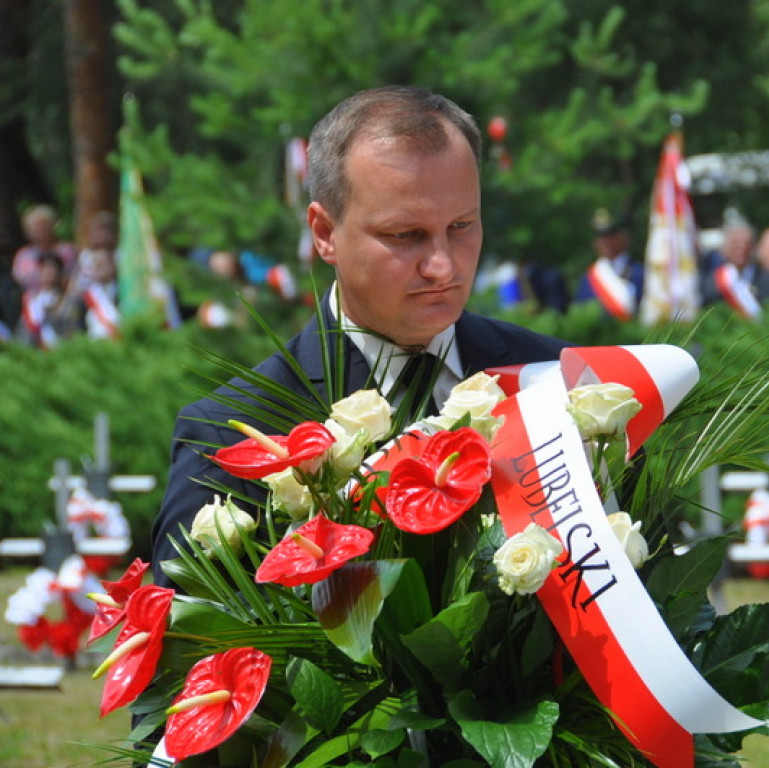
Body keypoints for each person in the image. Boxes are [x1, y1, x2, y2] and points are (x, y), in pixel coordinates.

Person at [152, 86, 571, 586]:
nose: (442, 265)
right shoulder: (232, 434)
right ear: (324, 233)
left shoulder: (557, 379)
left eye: (461, 226)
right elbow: (192, 626)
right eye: (405, 235)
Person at [574, 208, 644, 320]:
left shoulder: (641, 273)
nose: (606, 242)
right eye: (601, 237)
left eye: (611, 235)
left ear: (624, 237)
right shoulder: (587, 279)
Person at [11, 205, 77, 297]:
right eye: (35, 227)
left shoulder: (67, 251)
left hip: (62, 298)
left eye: (43, 225)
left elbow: (73, 277)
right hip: (32, 301)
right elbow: (18, 280)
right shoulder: (23, 255)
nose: (39, 230)